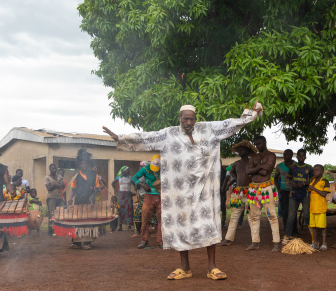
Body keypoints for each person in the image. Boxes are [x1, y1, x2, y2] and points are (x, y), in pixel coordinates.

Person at [103, 102, 262, 280]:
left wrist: (251, 115)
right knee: (181, 226)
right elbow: (146, 138)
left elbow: (231, 124)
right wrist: (120, 138)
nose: (188, 122)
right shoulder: (169, 134)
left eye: (191, 119)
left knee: (209, 224)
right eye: (185, 119)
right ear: (179, 118)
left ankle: (212, 267)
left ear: (195, 119)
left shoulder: (208, 130)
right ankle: (184, 267)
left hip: (204, 191)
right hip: (179, 192)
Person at [245, 136, 280, 252]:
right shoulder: (254, 157)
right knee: (253, 216)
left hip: (266, 188)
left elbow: (266, 171)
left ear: (265, 142)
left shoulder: (271, 155)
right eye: (256, 144)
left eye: (259, 144)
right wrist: (260, 166)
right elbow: (248, 171)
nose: (257, 146)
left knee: (272, 216)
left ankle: (276, 242)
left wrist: (254, 168)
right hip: (253, 189)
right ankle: (255, 242)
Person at [220, 140, 257, 246]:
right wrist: (236, 179)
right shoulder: (236, 164)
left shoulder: (251, 162)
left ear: (247, 151)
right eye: (239, 150)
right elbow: (231, 172)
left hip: (250, 192)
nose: (240, 152)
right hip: (238, 192)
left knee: (252, 216)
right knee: (234, 216)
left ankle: (255, 241)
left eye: (242, 150)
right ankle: (228, 239)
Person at [68, 148, 100, 249]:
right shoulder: (76, 176)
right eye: (82, 164)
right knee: (77, 221)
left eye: (86, 163)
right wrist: (70, 198)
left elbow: (97, 188)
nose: (84, 165)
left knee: (88, 222)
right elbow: (73, 189)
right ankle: (76, 242)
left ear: (88, 163)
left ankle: (87, 243)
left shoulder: (94, 175)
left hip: (89, 202)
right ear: (79, 165)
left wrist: (93, 195)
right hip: (78, 201)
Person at [132, 155, 162, 248]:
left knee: (162, 219)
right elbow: (134, 178)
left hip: (161, 196)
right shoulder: (145, 169)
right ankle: (144, 240)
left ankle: (160, 241)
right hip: (148, 196)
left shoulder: (165, 168)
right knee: (145, 218)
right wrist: (143, 185)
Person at [283, 149, 313, 244]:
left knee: (306, 215)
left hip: (305, 194)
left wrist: (304, 183)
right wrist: (292, 184)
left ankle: (313, 237)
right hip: (294, 194)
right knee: (291, 216)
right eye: (299, 155)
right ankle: (287, 236)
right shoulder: (293, 167)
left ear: (305, 156)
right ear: (297, 157)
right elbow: (289, 179)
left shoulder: (309, 167)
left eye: (303, 155)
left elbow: (312, 180)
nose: (301, 157)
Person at [273, 149, 295, 237]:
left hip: (294, 191)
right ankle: (287, 231)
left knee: (293, 212)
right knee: (285, 212)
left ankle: (294, 231)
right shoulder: (279, 166)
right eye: (284, 154)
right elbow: (275, 178)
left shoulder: (296, 165)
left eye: (286, 154)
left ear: (291, 155)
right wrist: (278, 190)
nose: (284, 156)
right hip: (284, 191)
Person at [308, 165, 330, 250]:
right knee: (313, 227)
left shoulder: (325, 181)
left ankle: (324, 243)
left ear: (321, 171)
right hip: (312, 207)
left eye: (316, 170)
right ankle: (315, 243)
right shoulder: (312, 180)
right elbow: (309, 193)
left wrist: (313, 188)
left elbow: (324, 194)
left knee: (322, 226)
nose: (314, 172)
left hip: (321, 208)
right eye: (314, 170)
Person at [111, 166, 135, 231]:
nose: (128, 172)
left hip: (128, 195)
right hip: (121, 196)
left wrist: (135, 192)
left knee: (129, 209)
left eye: (128, 171)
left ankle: (129, 225)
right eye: (127, 171)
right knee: (120, 210)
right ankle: (120, 226)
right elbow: (112, 183)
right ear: (123, 171)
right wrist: (116, 191)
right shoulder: (119, 177)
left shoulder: (131, 178)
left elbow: (135, 184)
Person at [45, 164, 65, 235]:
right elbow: (49, 188)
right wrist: (57, 185)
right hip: (51, 198)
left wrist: (54, 185)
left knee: (60, 213)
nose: (55, 170)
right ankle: (51, 231)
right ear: (50, 169)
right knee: (51, 215)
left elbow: (63, 185)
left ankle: (59, 230)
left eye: (55, 168)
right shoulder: (47, 178)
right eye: (53, 168)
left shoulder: (59, 176)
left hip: (59, 198)